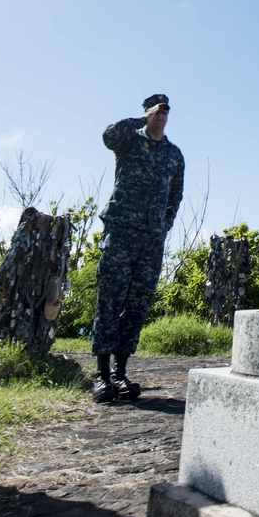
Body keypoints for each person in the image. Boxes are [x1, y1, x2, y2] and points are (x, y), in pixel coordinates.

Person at [91, 93, 184, 403]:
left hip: (151, 239)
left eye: (164, 111)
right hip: (121, 231)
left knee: (136, 305)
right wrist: (139, 121)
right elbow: (108, 136)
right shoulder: (130, 141)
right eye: (155, 111)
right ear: (147, 113)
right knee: (110, 299)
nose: (160, 115)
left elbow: (176, 195)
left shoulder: (173, 154)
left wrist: (164, 225)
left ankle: (120, 374)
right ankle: (102, 377)